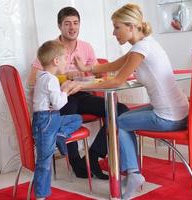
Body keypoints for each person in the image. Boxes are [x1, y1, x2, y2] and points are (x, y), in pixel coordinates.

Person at [73, 3, 189, 199]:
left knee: (119, 122)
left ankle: (133, 174)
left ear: (131, 27)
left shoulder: (141, 48)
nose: (113, 32)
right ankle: (133, 173)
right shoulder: (145, 44)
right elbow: (115, 65)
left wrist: (80, 86)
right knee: (122, 117)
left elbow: (117, 79)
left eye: (117, 27)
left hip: (168, 117)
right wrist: (86, 68)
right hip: (179, 112)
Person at [28, 6, 129, 180]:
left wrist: (85, 73)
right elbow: (32, 81)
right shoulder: (50, 48)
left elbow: (98, 74)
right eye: (67, 23)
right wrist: (64, 77)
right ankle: (75, 161)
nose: (72, 27)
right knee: (69, 106)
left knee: (120, 110)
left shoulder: (86, 47)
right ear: (59, 26)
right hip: (60, 97)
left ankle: (93, 154)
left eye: (75, 23)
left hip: (82, 94)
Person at [32, 40, 83, 200]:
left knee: (76, 118)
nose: (66, 62)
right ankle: (41, 196)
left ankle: (61, 134)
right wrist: (66, 90)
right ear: (56, 61)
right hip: (46, 121)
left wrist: (61, 91)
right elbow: (58, 103)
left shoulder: (43, 77)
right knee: (44, 160)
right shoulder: (51, 79)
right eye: (64, 59)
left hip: (50, 119)